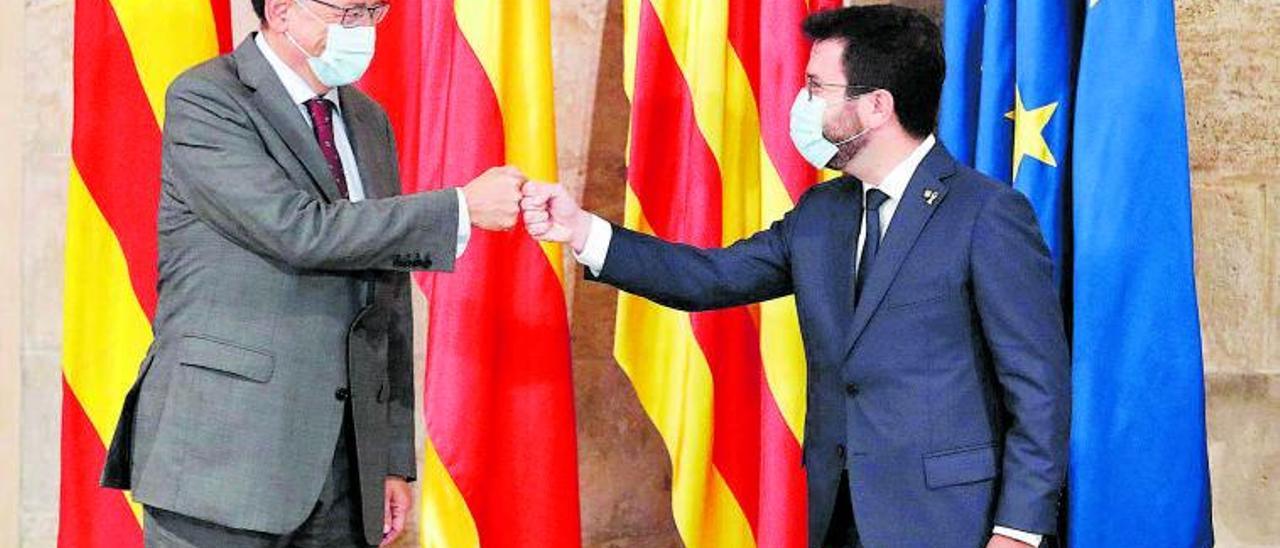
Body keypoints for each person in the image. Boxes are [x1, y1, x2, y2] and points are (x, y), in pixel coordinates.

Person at [521, 5, 1070, 547]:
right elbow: (708, 278)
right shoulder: (820, 214)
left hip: (951, 522)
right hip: (838, 516)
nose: (801, 104)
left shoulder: (986, 213)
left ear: (877, 105)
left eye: (817, 87)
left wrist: (1018, 532)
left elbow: (1037, 386)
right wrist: (582, 230)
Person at [100, 0, 525, 545]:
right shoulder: (208, 99)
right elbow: (298, 230)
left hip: (343, 471)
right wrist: (459, 209)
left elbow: (387, 295)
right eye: (349, 14)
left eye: (375, 11)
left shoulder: (369, 120)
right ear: (280, 12)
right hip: (225, 462)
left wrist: (391, 457)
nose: (366, 30)